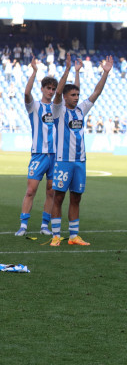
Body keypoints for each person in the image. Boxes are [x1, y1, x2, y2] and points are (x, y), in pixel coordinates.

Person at [48, 55, 114, 247]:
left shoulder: (80, 110)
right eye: (73, 95)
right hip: (63, 161)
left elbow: (96, 92)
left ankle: (73, 236)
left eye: (78, 95)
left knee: (76, 198)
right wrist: (68, 70)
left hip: (80, 161)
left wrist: (106, 73)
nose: (77, 98)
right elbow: (58, 92)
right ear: (65, 97)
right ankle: (55, 235)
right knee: (58, 197)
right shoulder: (58, 111)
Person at [14, 58, 72, 237]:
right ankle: (23, 225)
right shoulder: (34, 106)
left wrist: (68, 71)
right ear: (43, 88)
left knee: (51, 191)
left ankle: (44, 225)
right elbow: (26, 92)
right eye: (48, 88)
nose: (51, 91)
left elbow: (63, 92)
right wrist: (34, 71)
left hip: (55, 155)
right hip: (39, 154)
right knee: (31, 190)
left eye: (54, 89)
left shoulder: (58, 107)